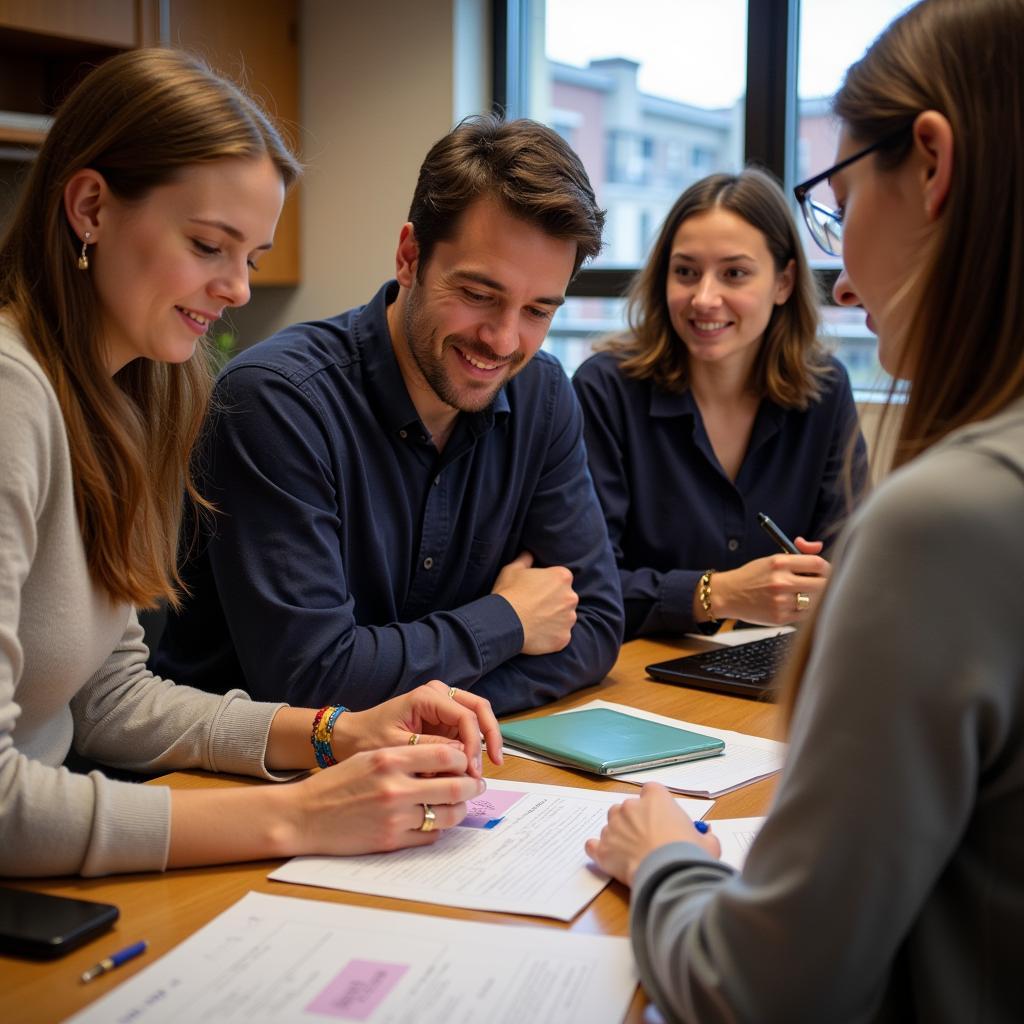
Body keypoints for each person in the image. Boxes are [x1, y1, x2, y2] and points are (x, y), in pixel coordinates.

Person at [586, 0, 1024, 1019]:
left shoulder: (946, 515)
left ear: (930, 164)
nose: (839, 261)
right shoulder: (609, 389)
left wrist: (661, 862)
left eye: (836, 198)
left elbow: (759, 987)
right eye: (686, 272)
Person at [0, 49, 502, 879]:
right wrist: (300, 814)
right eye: (208, 245)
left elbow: (108, 697)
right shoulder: (14, 394)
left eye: (254, 258)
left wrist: (336, 730)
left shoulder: (128, 400)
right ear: (91, 207)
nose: (236, 289)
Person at [151, 114, 624, 716]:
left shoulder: (543, 394)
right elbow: (311, 678)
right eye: (480, 295)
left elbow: (595, 626)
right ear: (409, 257)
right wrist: (508, 620)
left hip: (422, 770)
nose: (503, 340)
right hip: (233, 782)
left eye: (538, 310)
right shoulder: (277, 401)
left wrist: (428, 708)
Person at [573, 168, 867, 639]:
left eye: (734, 273)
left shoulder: (826, 389)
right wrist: (719, 592)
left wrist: (815, 588)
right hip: (639, 674)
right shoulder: (605, 389)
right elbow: (584, 588)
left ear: (784, 282)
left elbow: (850, 566)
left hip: (778, 666)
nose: (705, 298)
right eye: (686, 272)